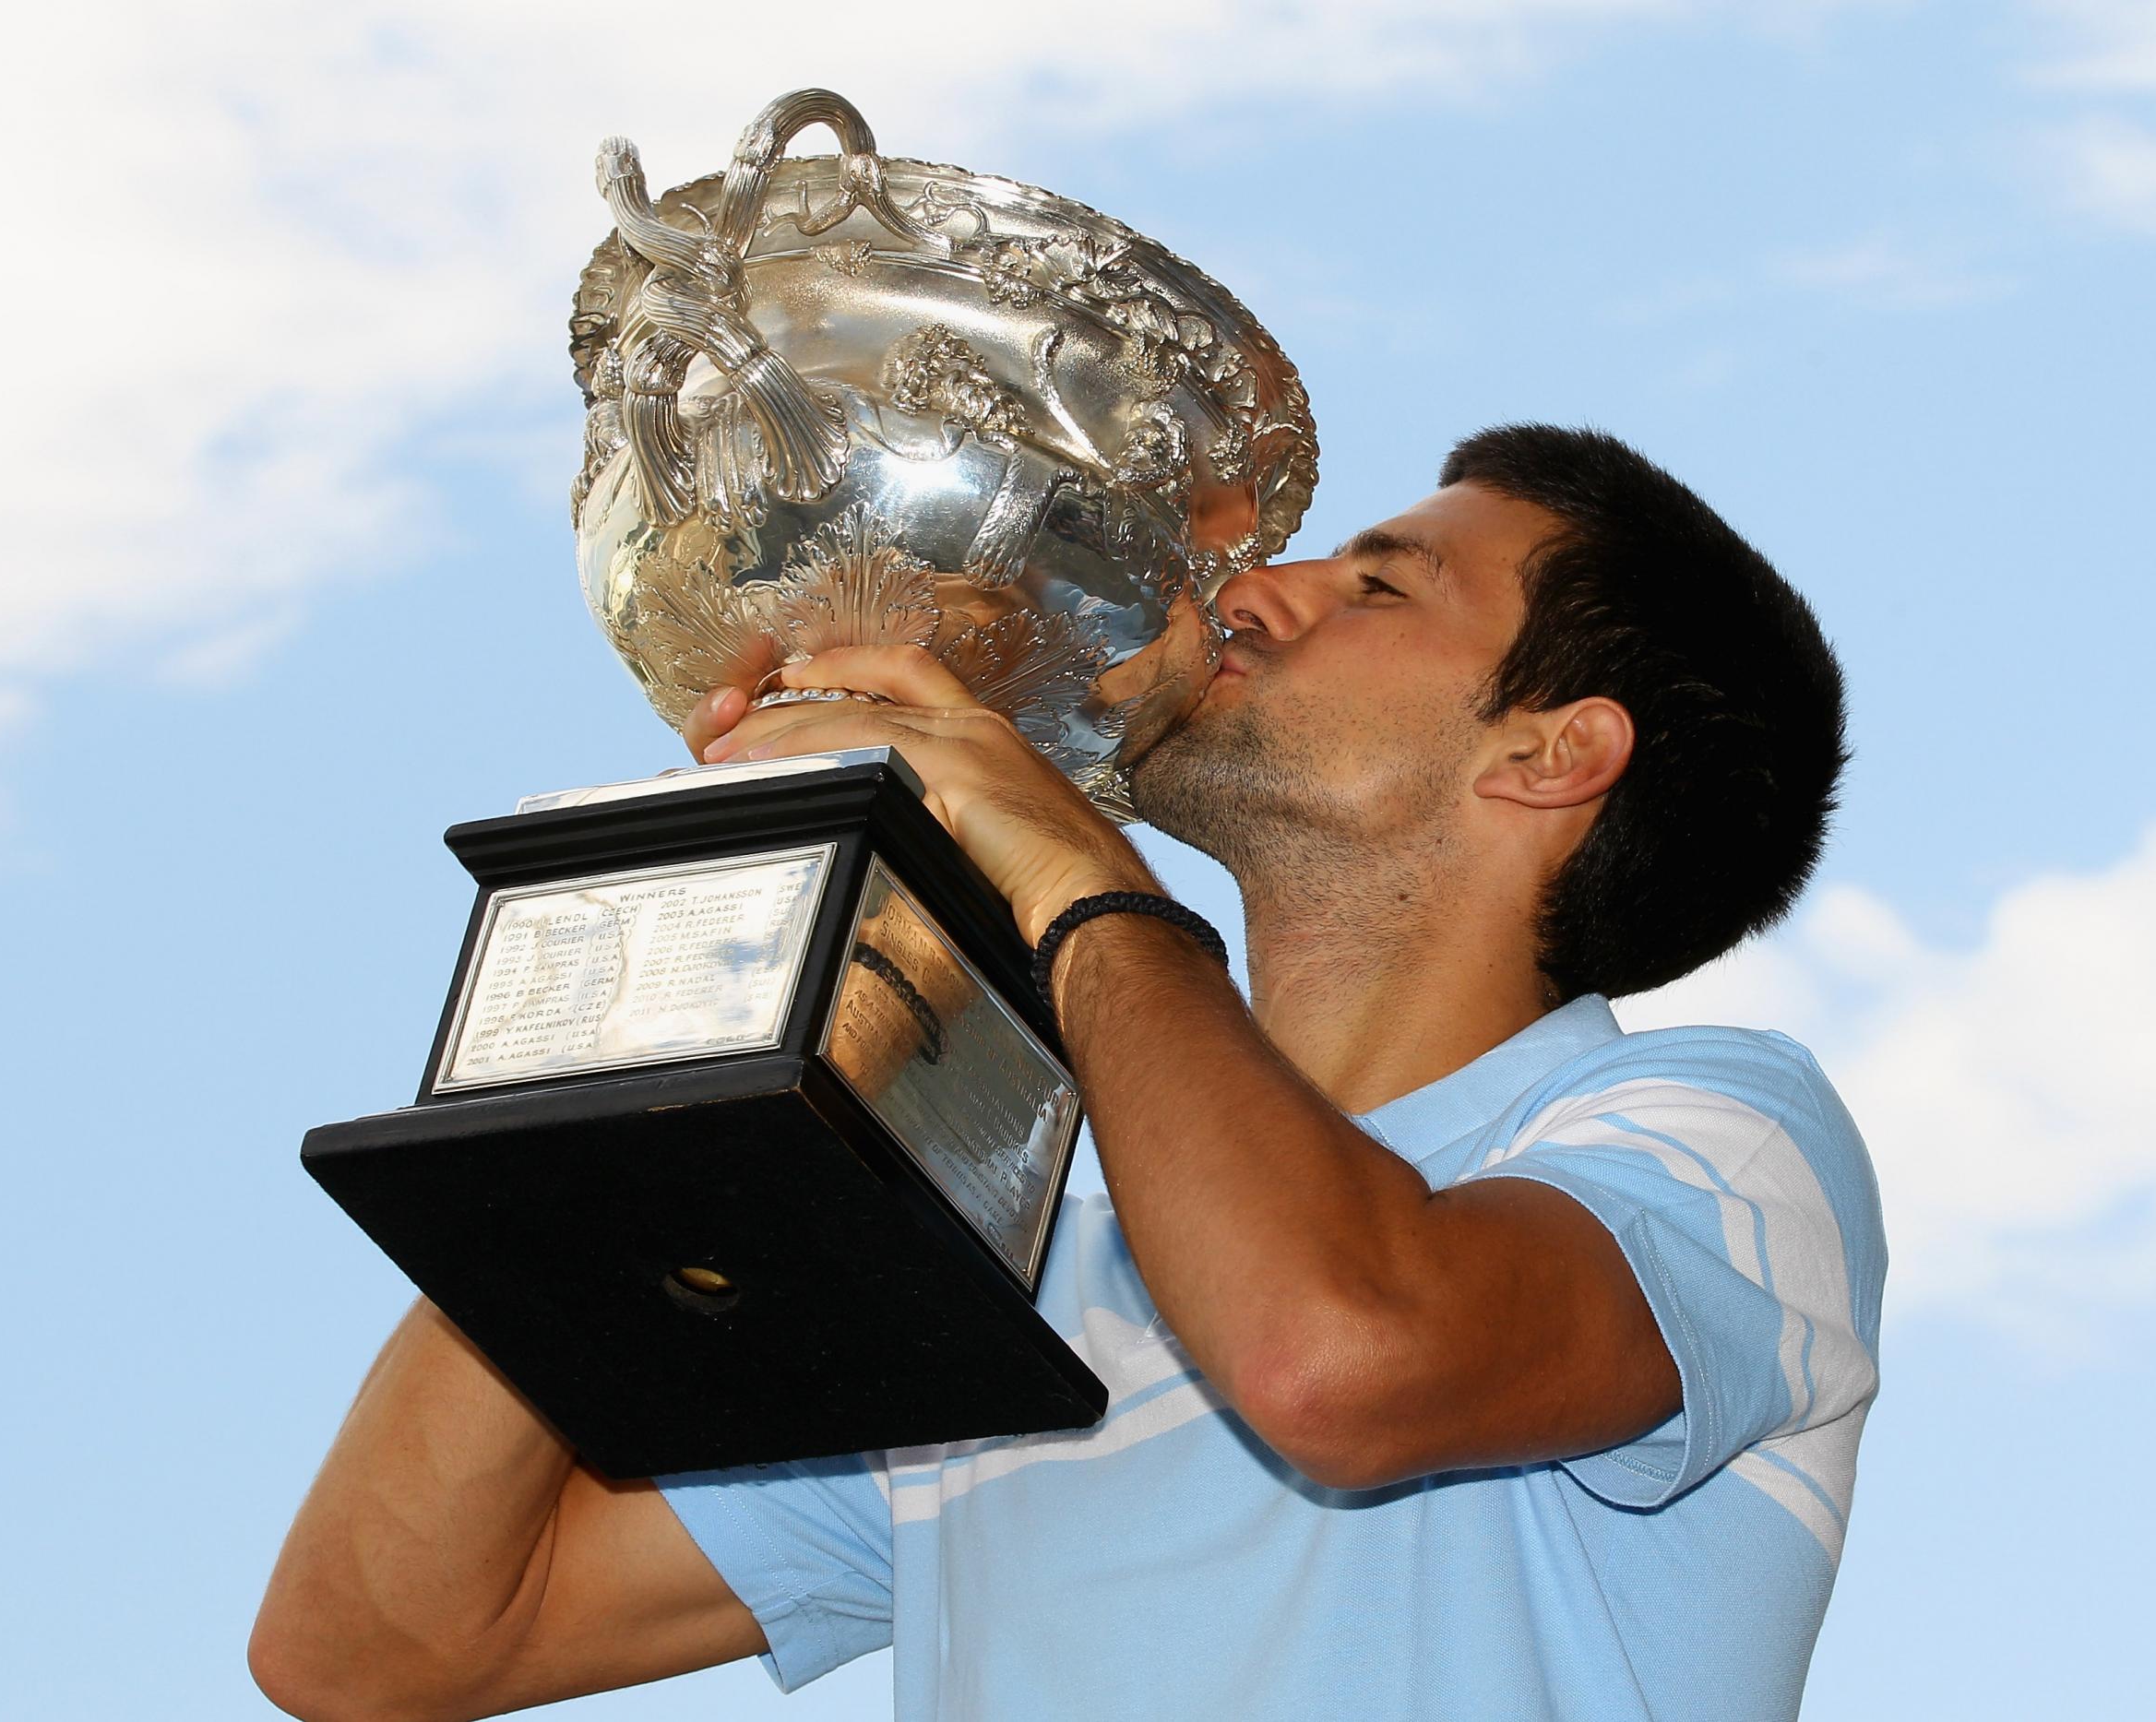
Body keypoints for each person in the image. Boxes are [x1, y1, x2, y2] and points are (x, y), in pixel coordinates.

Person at [251, 424, 1884, 1722]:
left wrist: (1072, 872)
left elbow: (1337, 1359)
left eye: (1382, 587)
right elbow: (381, 1649)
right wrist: (696, 1006)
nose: (1250, 594)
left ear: (1554, 752)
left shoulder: (1720, 1134)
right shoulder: (1022, 1264)